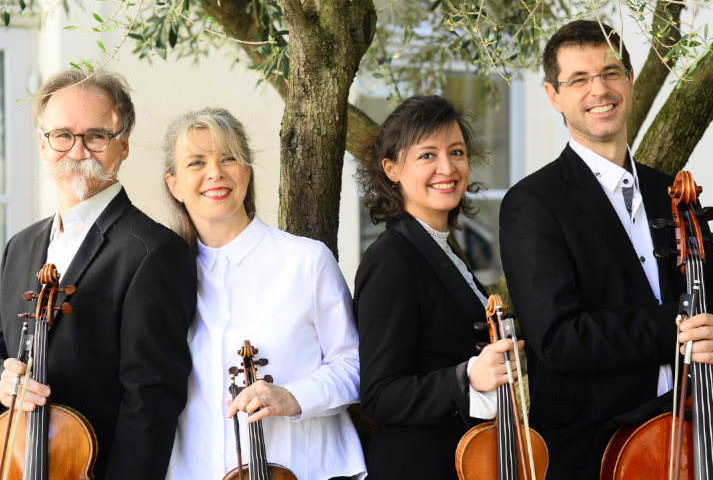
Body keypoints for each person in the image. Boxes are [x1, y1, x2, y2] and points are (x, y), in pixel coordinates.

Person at [498, 20, 713, 479]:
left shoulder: (672, 191)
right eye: (579, 79)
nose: (599, 89)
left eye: (611, 72)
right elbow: (559, 339)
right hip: (595, 450)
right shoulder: (532, 204)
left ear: (629, 80)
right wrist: (680, 327)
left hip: (690, 436)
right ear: (554, 96)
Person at [0, 69, 197, 479]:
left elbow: (151, 401)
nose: (77, 151)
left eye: (96, 136)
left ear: (122, 143)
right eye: (62, 135)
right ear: (42, 143)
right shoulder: (18, 247)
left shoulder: (154, 251)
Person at [161, 108, 366, 480]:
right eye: (196, 162)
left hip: (307, 469)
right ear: (174, 184)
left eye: (229, 158)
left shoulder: (306, 260)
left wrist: (295, 396)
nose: (215, 173)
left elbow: (355, 364)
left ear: (247, 171)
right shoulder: (163, 277)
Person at [353, 94, 523, 479]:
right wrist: (466, 378)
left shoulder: (441, 249)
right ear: (392, 168)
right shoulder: (391, 260)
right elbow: (379, 395)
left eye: (457, 152)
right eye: (427, 155)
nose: (447, 167)